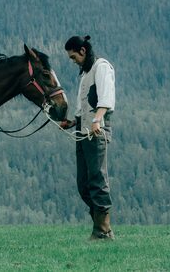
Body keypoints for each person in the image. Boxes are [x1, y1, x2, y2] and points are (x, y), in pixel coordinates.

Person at [60, 35, 116, 240]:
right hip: (83, 133)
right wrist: (72, 122)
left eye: (74, 57)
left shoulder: (101, 67)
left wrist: (96, 120)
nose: (73, 61)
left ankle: (102, 230)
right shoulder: (85, 74)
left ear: (83, 51)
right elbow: (83, 106)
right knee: (83, 184)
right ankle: (103, 228)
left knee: (97, 179)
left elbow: (106, 97)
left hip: (96, 131)